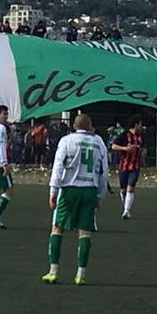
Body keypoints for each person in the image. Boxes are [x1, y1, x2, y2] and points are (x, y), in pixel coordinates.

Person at [42, 112, 109, 286]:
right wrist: (100, 195)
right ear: (91, 126)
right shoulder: (98, 142)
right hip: (89, 189)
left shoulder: (66, 140)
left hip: (69, 188)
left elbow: (58, 166)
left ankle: (53, 271)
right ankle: (81, 274)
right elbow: (104, 171)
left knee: (57, 228)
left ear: (74, 125)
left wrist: (53, 190)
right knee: (85, 232)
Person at [111, 114, 143, 219]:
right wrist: (125, 149)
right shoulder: (125, 135)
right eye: (140, 123)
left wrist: (142, 151)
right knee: (123, 190)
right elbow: (114, 146)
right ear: (136, 124)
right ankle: (125, 206)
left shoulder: (141, 136)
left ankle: (126, 211)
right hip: (124, 166)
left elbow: (144, 148)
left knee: (130, 188)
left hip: (135, 166)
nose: (141, 126)